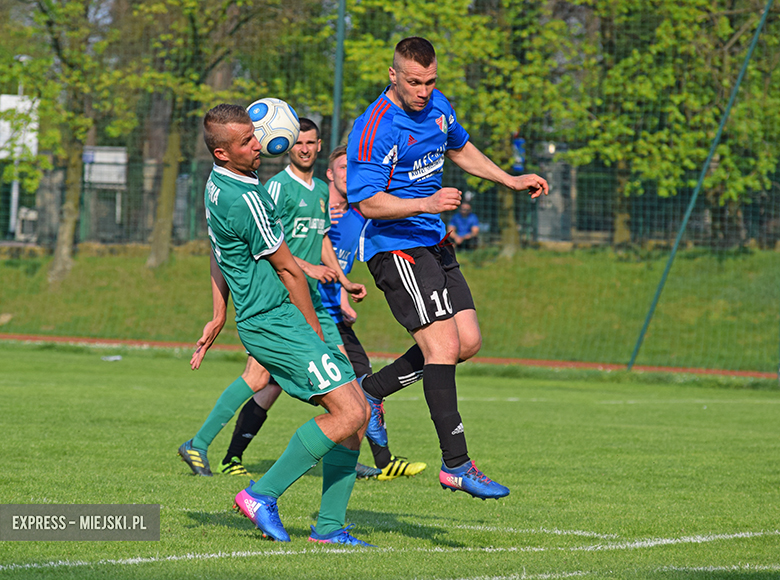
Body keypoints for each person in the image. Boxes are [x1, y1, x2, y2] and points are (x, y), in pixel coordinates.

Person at [346, 37, 548, 500]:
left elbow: (460, 147)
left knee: (467, 342)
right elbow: (368, 202)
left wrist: (509, 179)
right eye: (414, 82)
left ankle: (371, 391)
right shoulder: (374, 126)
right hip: (395, 247)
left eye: (430, 81)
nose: (423, 90)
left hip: (434, 241)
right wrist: (428, 202)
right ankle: (456, 463)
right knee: (442, 346)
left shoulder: (438, 106)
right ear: (393, 74)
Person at [184, 104, 372, 546]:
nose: (259, 145)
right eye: (247, 141)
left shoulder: (218, 184)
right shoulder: (247, 199)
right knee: (349, 412)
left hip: (269, 318)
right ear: (222, 152)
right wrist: (315, 332)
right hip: (276, 321)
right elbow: (289, 270)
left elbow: (217, 251)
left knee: (357, 416)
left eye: (255, 135)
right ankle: (260, 495)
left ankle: (329, 527)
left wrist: (219, 313)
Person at [217, 142, 427, 481]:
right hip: (286, 309)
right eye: (343, 168)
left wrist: (343, 290)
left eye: (354, 169)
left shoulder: (353, 214)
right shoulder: (289, 196)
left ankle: (374, 463)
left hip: (323, 312)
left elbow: (330, 255)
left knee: (355, 388)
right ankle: (224, 456)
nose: (349, 175)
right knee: (267, 383)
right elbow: (277, 253)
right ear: (330, 173)